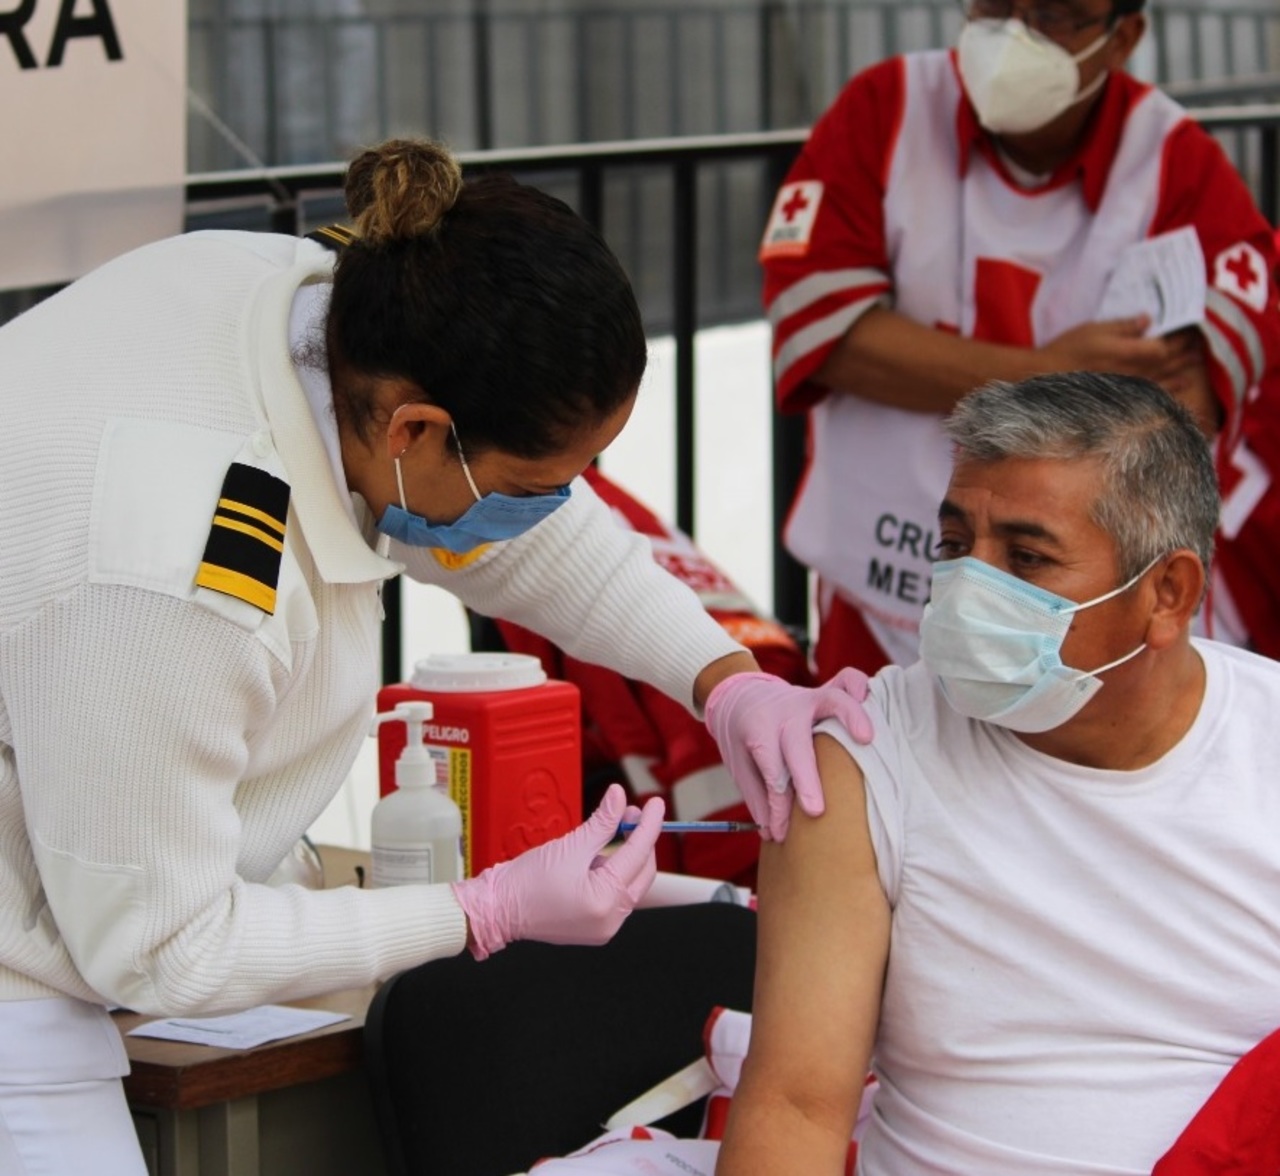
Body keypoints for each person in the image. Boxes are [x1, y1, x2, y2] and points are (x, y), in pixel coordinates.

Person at [0, 137, 870, 1175]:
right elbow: (162, 944)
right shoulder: (177, 575)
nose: (563, 499)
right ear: (416, 429)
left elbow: (520, 526)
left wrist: (720, 676)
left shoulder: (339, 316)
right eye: (547, 475)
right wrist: (484, 910)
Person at [716, 372, 1280, 1175]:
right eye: (954, 546)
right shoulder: (868, 755)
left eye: (1026, 557)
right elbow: (796, 1104)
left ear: (1167, 592)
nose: (968, 590)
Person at [760, 0, 1280, 680]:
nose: (1014, 35)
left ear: (1124, 36)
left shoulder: (1176, 162)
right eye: (995, 5)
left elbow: (1192, 404)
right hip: (885, 584)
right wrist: (1053, 373)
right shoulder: (886, 109)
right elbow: (825, 335)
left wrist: (912, 357)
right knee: (873, 777)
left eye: (1059, 14)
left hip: (1081, 626)